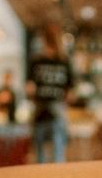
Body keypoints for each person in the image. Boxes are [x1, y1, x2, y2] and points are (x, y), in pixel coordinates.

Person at [26, 26, 74, 163]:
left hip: (47, 107)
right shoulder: (62, 62)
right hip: (48, 107)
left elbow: (29, 88)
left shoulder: (40, 61)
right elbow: (70, 93)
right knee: (54, 147)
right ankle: (54, 177)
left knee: (44, 148)